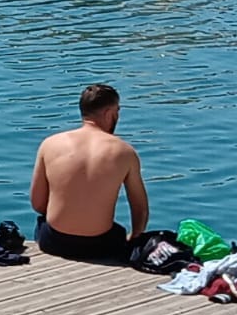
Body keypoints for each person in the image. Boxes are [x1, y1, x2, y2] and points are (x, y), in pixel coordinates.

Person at [30, 83, 149, 262]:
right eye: (117, 111)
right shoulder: (124, 152)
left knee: (43, 222)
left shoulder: (50, 144)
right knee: (118, 231)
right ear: (109, 113)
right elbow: (140, 208)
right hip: (101, 246)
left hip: (54, 242)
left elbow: (38, 204)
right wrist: (135, 237)